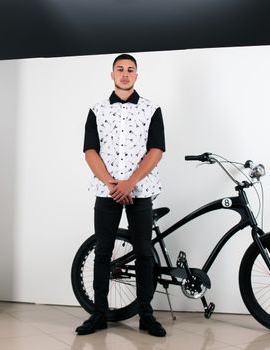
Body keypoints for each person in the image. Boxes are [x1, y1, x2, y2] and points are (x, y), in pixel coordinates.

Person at [76, 54, 166, 337]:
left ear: (137, 76)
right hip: (107, 191)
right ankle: (99, 315)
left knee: (143, 253)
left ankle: (146, 316)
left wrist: (131, 183)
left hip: (141, 190)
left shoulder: (152, 109)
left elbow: (156, 150)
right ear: (112, 74)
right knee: (103, 252)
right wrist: (112, 183)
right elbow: (90, 150)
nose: (125, 74)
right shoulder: (97, 109)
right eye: (120, 69)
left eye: (130, 70)